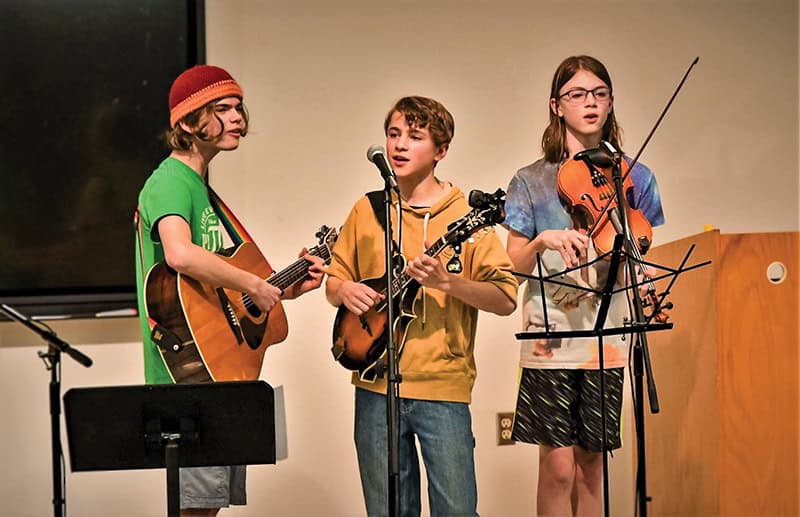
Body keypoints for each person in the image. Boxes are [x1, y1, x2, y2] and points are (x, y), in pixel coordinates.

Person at [134, 65, 325, 516]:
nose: (238, 116)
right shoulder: (170, 182)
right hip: (188, 378)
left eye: (238, 106)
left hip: (219, 375)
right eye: (222, 108)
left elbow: (217, 291)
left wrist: (282, 289)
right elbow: (179, 255)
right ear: (186, 123)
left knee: (207, 509)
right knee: (195, 510)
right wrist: (254, 282)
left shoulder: (200, 188)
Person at [325, 95, 518, 517]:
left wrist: (448, 282)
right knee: (387, 510)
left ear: (441, 151)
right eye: (394, 135)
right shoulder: (368, 210)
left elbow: (505, 298)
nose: (399, 145)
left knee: (457, 510)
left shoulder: (467, 215)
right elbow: (334, 279)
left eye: (414, 136)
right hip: (375, 386)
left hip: (442, 387)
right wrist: (345, 291)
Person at [503, 55, 665, 516]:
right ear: (557, 106)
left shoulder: (636, 177)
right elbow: (512, 264)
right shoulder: (530, 180)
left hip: (606, 337)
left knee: (592, 464)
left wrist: (643, 272)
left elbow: (642, 249)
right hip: (549, 338)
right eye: (577, 95)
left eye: (599, 94)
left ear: (611, 102)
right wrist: (542, 239)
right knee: (556, 468)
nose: (589, 104)